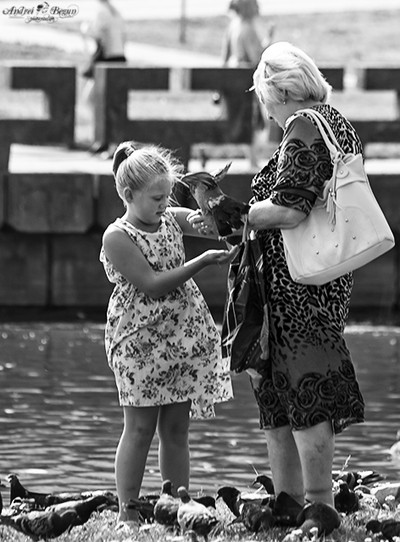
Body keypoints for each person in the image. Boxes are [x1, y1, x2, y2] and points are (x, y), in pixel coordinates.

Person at [234, 42, 366, 511]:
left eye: (264, 99)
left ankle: (318, 504)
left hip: (299, 287)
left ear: (281, 92)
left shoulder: (305, 126)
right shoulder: (335, 122)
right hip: (310, 279)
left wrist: (240, 214)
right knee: (280, 393)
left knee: (305, 390)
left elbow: (291, 209)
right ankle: (288, 501)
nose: (266, 112)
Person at [99, 142, 235, 526]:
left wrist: (213, 219)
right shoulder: (117, 236)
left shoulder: (169, 217)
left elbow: (201, 221)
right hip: (139, 340)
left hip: (183, 338)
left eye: (168, 196)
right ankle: (127, 513)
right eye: (156, 198)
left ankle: (177, 507)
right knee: (139, 428)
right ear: (129, 195)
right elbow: (153, 285)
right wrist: (203, 261)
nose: (164, 205)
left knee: (176, 429)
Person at [221, 0, 275, 167]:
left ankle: (252, 160)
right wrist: (269, 40)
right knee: (253, 120)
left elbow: (224, 58)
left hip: (232, 83)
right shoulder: (248, 29)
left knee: (244, 120)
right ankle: (253, 162)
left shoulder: (233, 26)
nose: (259, 7)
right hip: (245, 84)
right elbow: (256, 59)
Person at [81, 0, 127, 154]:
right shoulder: (116, 12)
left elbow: (98, 34)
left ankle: (104, 140)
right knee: (110, 104)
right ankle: (107, 141)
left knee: (91, 99)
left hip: (107, 60)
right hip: (119, 59)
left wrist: (85, 29)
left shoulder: (101, 11)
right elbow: (123, 38)